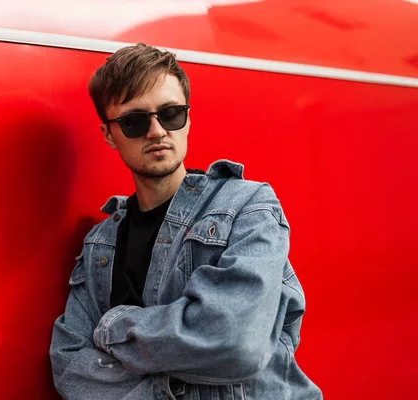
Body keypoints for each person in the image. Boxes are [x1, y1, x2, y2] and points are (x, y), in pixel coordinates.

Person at [49, 43, 322, 400]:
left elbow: (236, 341)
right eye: (133, 121)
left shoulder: (247, 205)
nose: (157, 131)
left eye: (171, 113)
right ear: (108, 135)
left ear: (188, 119)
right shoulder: (100, 244)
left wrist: (115, 326)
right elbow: (69, 367)